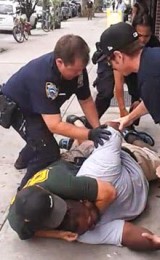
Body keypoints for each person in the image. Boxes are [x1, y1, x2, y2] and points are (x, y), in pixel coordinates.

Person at [93, 22, 160, 235]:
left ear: (118, 56)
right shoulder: (153, 58)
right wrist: (129, 118)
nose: (112, 67)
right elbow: (157, 99)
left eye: (109, 62)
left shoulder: (150, 77)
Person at [9, 125, 160, 250]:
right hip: (99, 172)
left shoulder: (85, 176)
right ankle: (79, 130)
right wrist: (152, 242)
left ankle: (119, 134)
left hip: (131, 161)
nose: (92, 225)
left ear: (83, 200)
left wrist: (100, 129)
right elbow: (126, 234)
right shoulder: (80, 231)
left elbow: (109, 134)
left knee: (159, 161)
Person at [0, 35, 111, 190]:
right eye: (75, 70)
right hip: (16, 106)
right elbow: (55, 125)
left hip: (37, 105)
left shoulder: (78, 70)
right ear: (60, 62)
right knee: (48, 151)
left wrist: (97, 127)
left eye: (81, 70)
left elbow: (85, 100)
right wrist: (89, 134)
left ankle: (22, 160)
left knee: (41, 136)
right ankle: (25, 193)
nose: (79, 74)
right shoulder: (44, 77)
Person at [92, 15, 160, 120]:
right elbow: (118, 83)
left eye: (146, 36)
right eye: (139, 35)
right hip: (111, 58)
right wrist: (122, 110)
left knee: (137, 96)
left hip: (129, 65)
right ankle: (91, 122)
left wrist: (139, 101)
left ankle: (131, 119)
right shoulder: (123, 45)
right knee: (105, 93)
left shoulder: (154, 46)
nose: (142, 40)